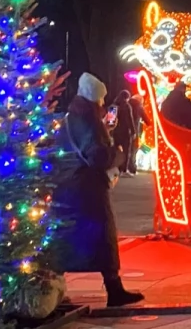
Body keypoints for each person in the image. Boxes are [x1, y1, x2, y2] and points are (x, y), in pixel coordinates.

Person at [53, 73, 143, 307]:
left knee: (69, 239)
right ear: (95, 99)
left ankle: (56, 288)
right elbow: (98, 155)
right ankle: (114, 289)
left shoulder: (71, 116)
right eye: (101, 100)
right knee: (102, 236)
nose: (103, 104)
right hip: (88, 188)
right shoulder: (87, 119)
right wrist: (119, 154)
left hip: (70, 186)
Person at [110, 91, 137, 178]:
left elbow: (110, 121)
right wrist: (133, 131)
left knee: (114, 151)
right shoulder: (126, 106)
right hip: (125, 132)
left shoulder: (113, 106)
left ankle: (114, 169)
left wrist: (110, 131)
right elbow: (130, 120)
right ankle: (123, 170)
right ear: (126, 98)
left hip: (115, 132)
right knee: (126, 152)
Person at [125, 95, 144, 175]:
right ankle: (132, 168)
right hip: (134, 131)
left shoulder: (126, 104)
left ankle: (124, 168)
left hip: (124, 131)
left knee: (126, 150)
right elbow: (146, 118)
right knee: (133, 150)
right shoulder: (139, 106)